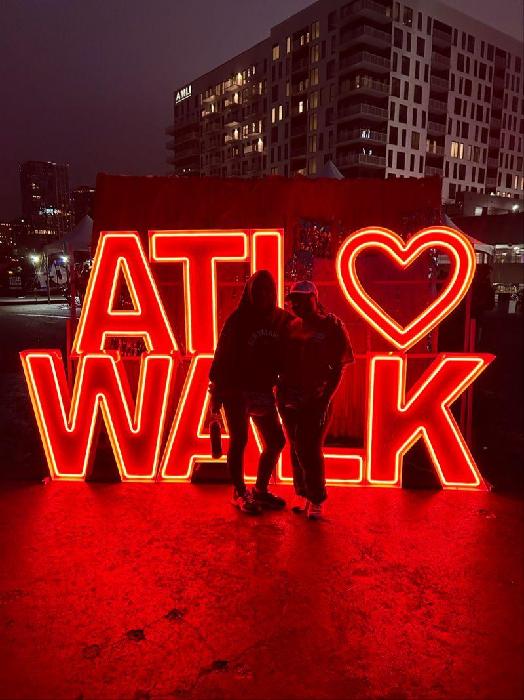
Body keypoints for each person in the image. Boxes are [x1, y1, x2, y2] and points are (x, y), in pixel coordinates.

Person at [209, 270, 291, 515]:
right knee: (239, 440)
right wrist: (216, 391)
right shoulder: (238, 320)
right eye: (258, 290)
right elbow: (222, 355)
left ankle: (260, 490)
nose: (264, 294)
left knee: (276, 441)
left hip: (262, 389)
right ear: (250, 292)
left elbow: (301, 337)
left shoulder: (281, 319)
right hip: (236, 389)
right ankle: (239, 492)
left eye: (268, 289)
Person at [277, 280, 353, 520]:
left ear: (314, 298)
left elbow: (339, 366)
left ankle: (317, 497)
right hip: (288, 396)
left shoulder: (331, 326)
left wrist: (325, 398)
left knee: (308, 447)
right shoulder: (290, 326)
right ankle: (303, 493)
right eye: (293, 301)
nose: (297, 305)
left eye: (302, 300)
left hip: (316, 397)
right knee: (296, 446)